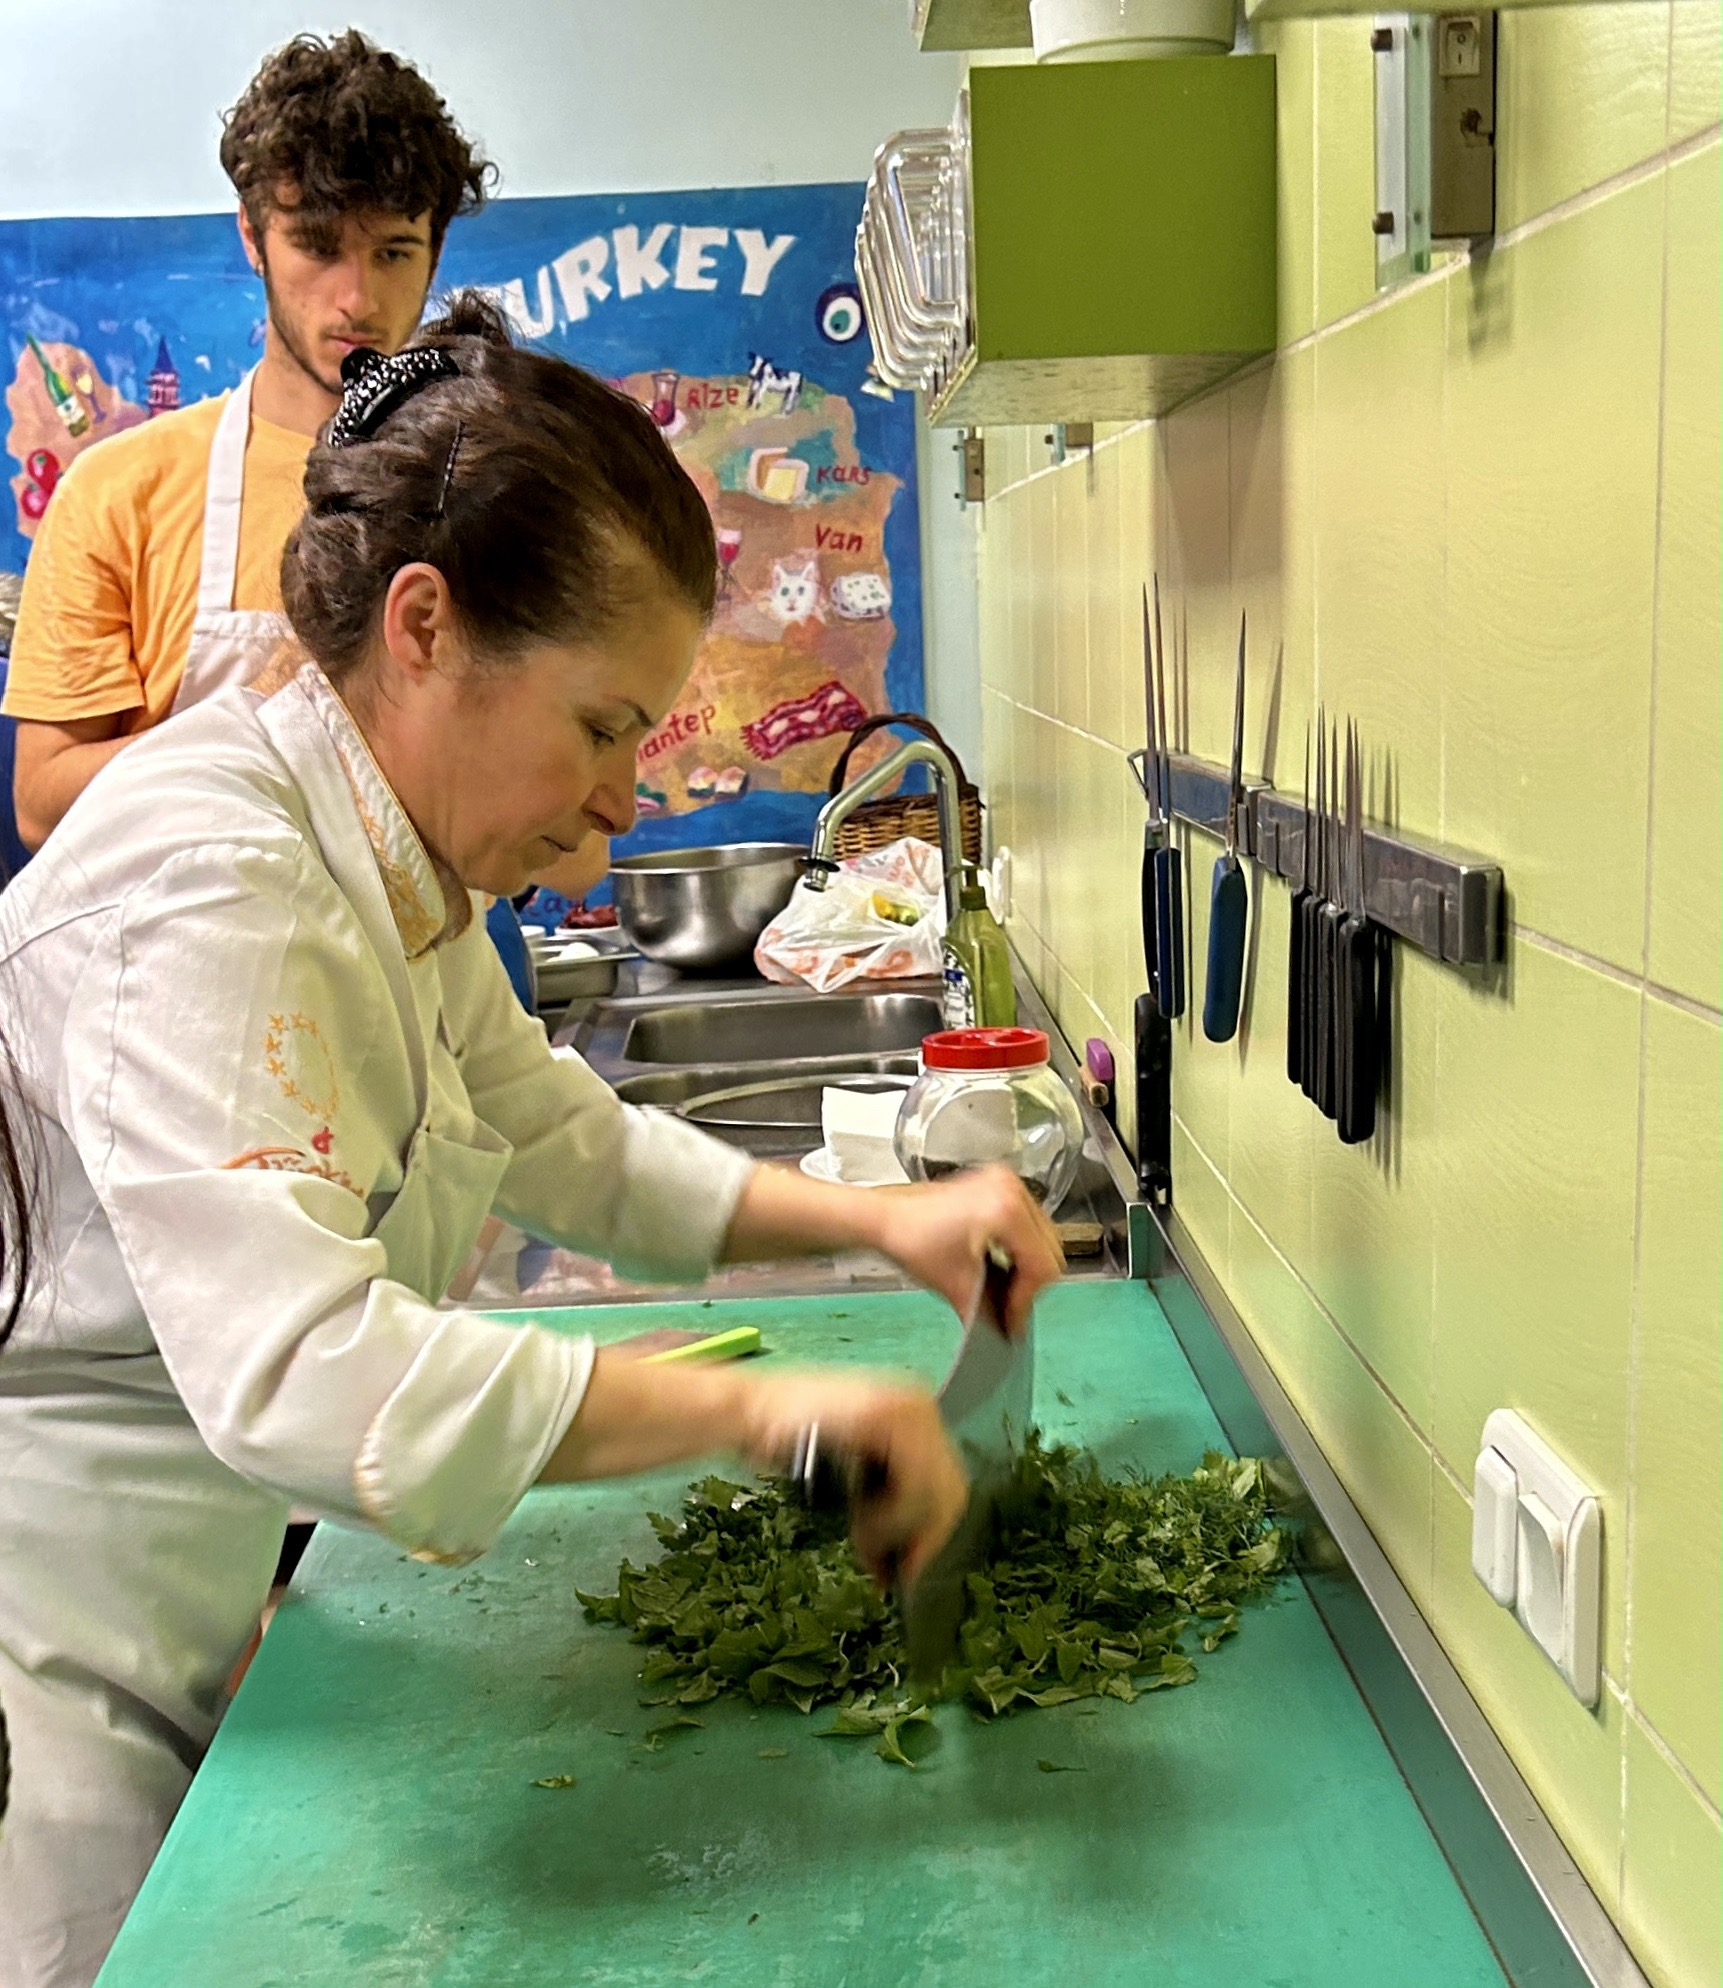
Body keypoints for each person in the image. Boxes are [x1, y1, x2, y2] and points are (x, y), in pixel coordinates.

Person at [0, 295, 1064, 1988]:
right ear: (421, 626)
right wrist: (757, 1407)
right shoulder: (217, 880)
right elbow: (312, 1371)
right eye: (601, 724)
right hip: (48, 1645)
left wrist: (881, 1232)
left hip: (197, 1579)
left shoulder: (391, 860)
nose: (630, 790)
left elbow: (565, 1138)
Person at [4, 30, 493, 851]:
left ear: (436, 250)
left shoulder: (488, 481)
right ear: (251, 236)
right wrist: (274, 737)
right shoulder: (122, 489)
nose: (356, 298)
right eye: (317, 246)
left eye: (394, 252)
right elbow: (42, 803)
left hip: (422, 973)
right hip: (187, 962)